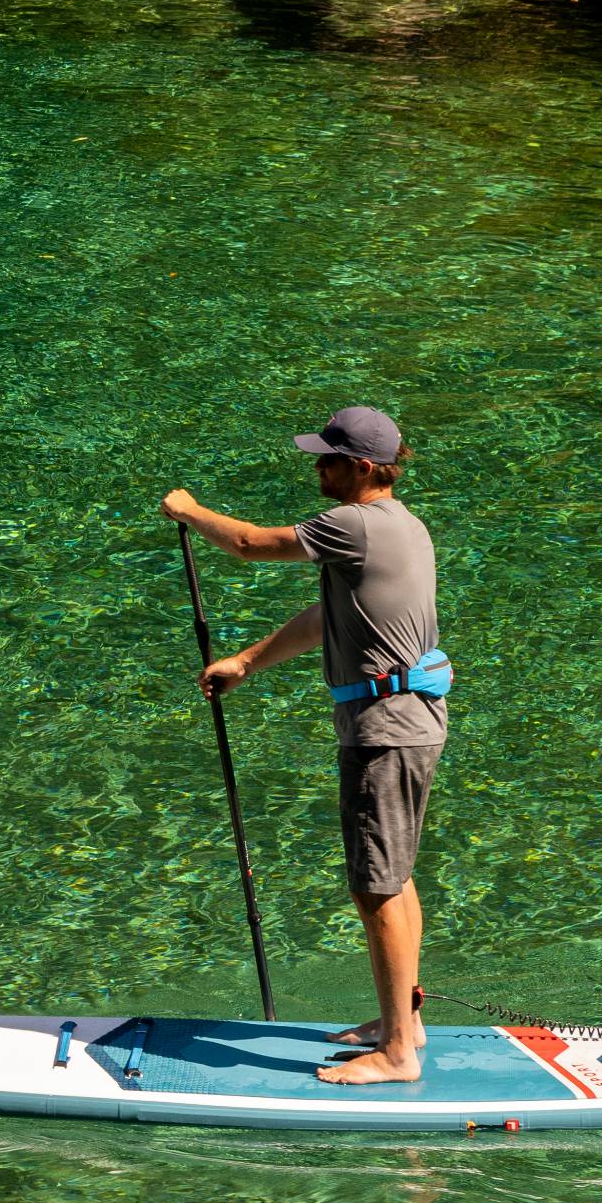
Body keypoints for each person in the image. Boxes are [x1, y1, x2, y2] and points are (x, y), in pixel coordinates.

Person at [161, 405, 448, 1086]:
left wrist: (191, 511)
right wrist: (248, 661)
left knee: (375, 886)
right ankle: (401, 1022)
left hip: (387, 729)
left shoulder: (353, 523)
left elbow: (252, 545)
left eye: (330, 457)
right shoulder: (400, 527)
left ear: (366, 468)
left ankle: (398, 1054)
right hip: (406, 720)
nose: (317, 466)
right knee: (394, 879)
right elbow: (331, 616)